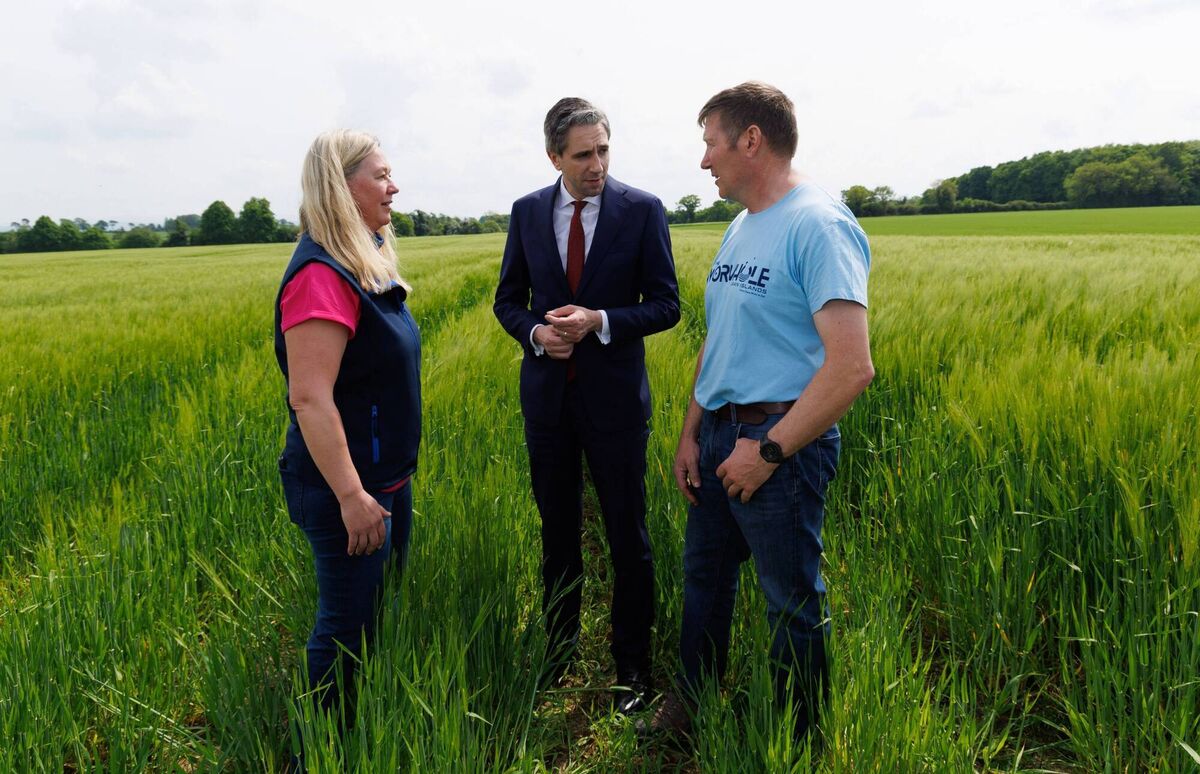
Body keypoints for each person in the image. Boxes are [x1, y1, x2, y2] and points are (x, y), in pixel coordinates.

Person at [646, 82, 874, 742]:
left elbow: (852, 366)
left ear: (752, 139)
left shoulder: (819, 225)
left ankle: (797, 738)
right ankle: (691, 708)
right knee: (704, 581)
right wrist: (693, 432)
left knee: (791, 601)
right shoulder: (744, 225)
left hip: (780, 447)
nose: (704, 161)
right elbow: (720, 339)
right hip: (720, 434)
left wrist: (768, 450)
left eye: (710, 143)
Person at [493, 97, 680, 715]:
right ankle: (559, 655)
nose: (597, 163)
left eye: (604, 149)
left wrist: (601, 320)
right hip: (548, 402)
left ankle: (633, 670)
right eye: (583, 154)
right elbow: (507, 302)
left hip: (616, 404)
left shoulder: (643, 211)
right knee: (558, 532)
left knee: (629, 536)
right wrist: (535, 335)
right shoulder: (525, 213)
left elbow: (666, 305)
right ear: (555, 157)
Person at [274, 130, 421, 717]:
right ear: (342, 186)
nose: (394, 187)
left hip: (383, 480)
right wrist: (352, 496)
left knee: (373, 615)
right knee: (343, 632)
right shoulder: (321, 275)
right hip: (348, 491)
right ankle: (322, 746)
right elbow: (310, 398)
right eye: (381, 176)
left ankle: (360, 727)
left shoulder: (360, 263)